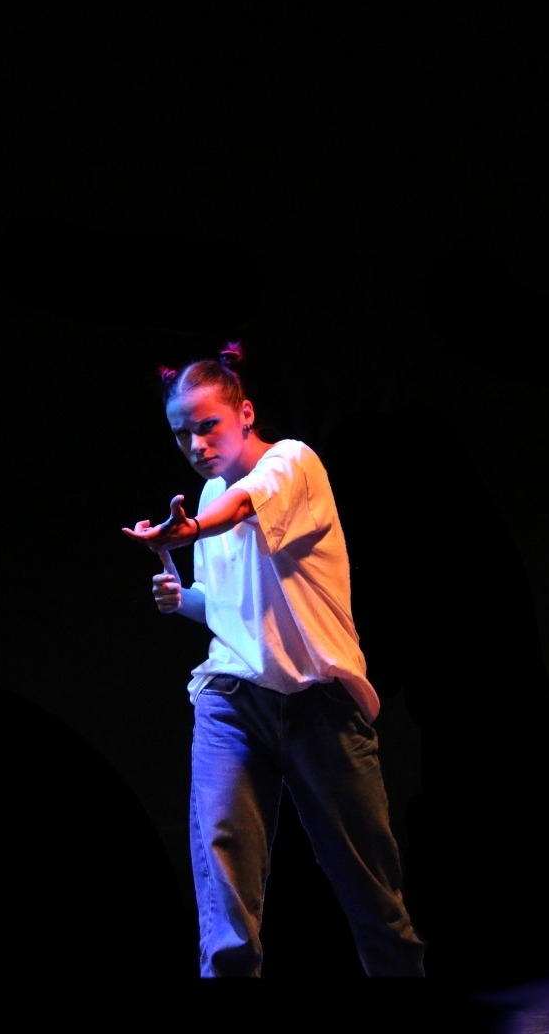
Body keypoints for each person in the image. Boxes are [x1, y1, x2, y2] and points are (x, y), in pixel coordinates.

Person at [121, 339, 427, 979]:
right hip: (233, 699)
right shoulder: (209, 497)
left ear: (245, 414)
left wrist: (190, 530)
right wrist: (182, 599)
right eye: (181, 434)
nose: (196, 445)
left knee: (370, 889)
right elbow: (229, 607)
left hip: (319, 702)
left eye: (208, 426)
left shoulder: (292, 463)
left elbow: (244, 507)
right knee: (224, 876)